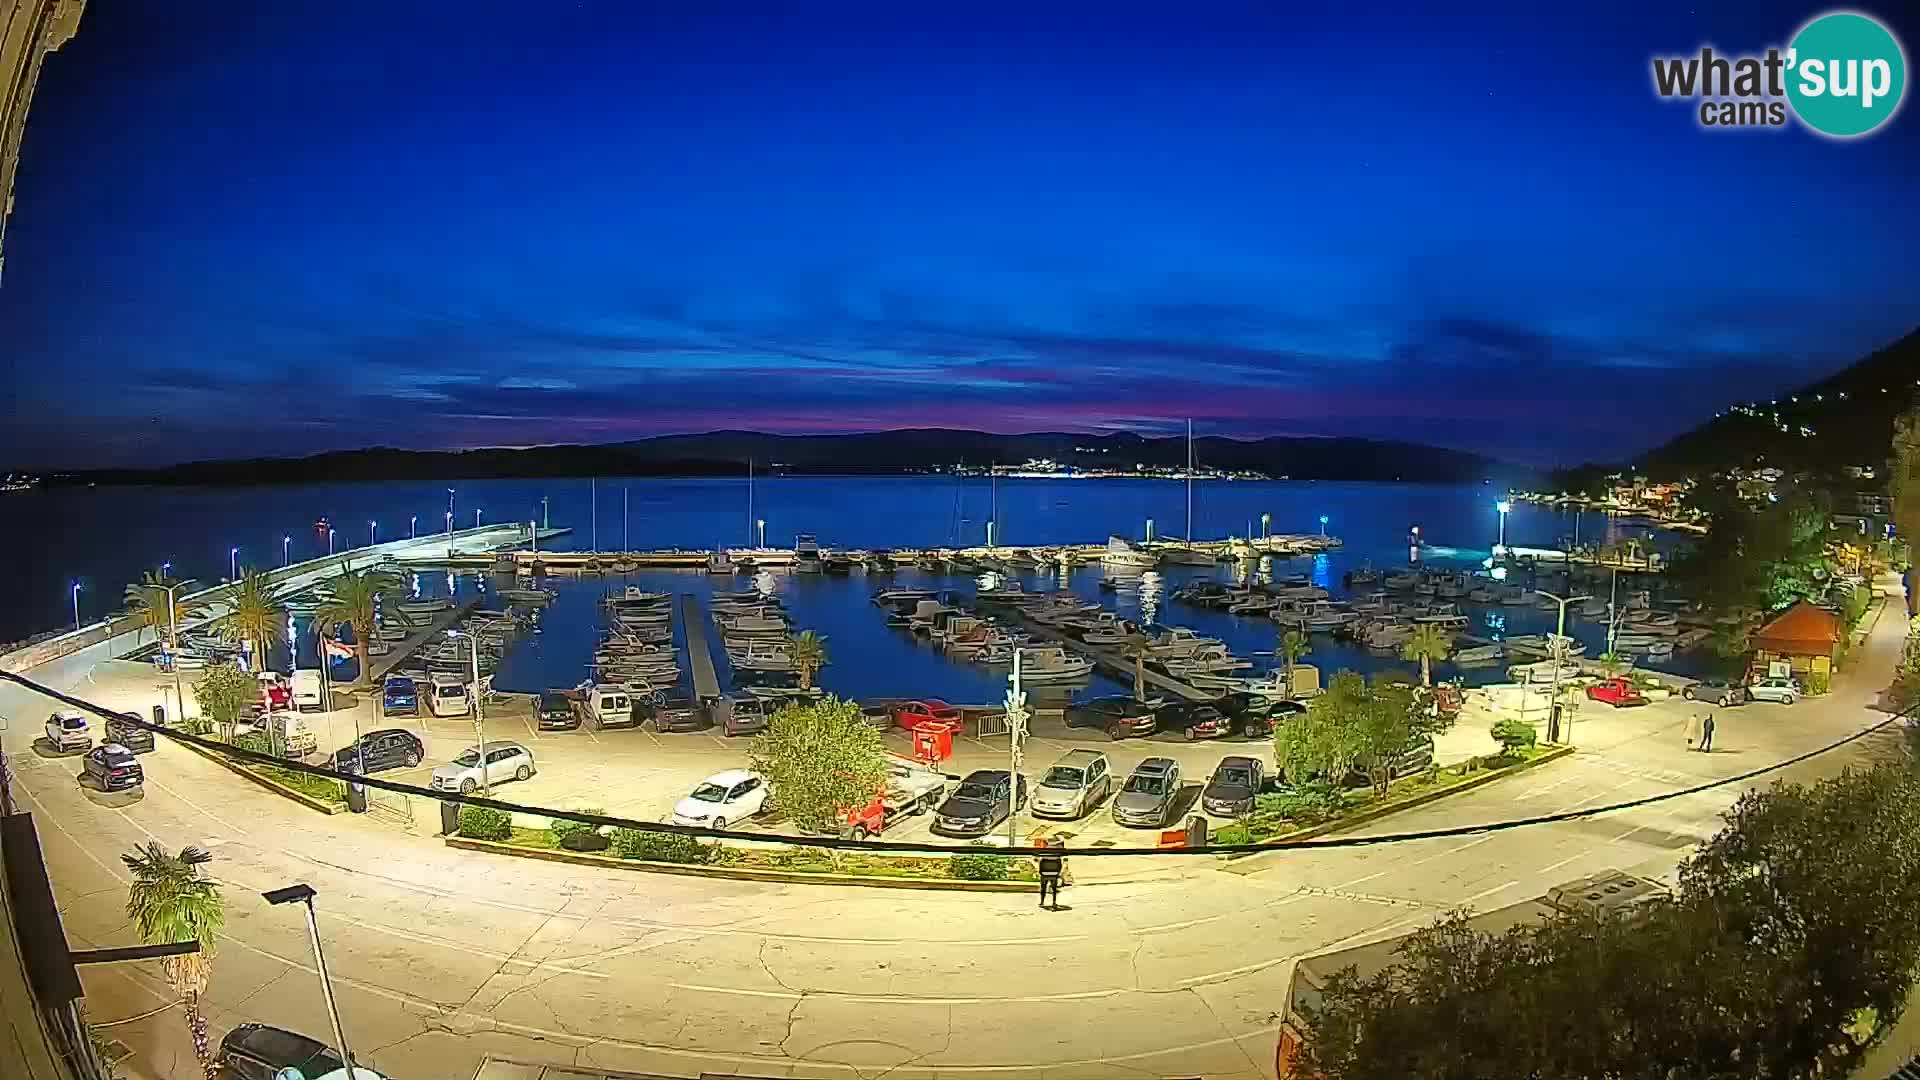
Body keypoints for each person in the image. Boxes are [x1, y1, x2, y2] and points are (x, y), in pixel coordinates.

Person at [1037, 841, 1065, 910]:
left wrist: (1041, 873)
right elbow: (1059, 867)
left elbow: (1040, 866)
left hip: (1044, 875)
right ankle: (1054, 902)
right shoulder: (1057, 858)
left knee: (1043, 889)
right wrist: (1058, 874)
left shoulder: (1043, 857)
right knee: (1054, 889)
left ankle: (1042, 902)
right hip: (1054, 874)